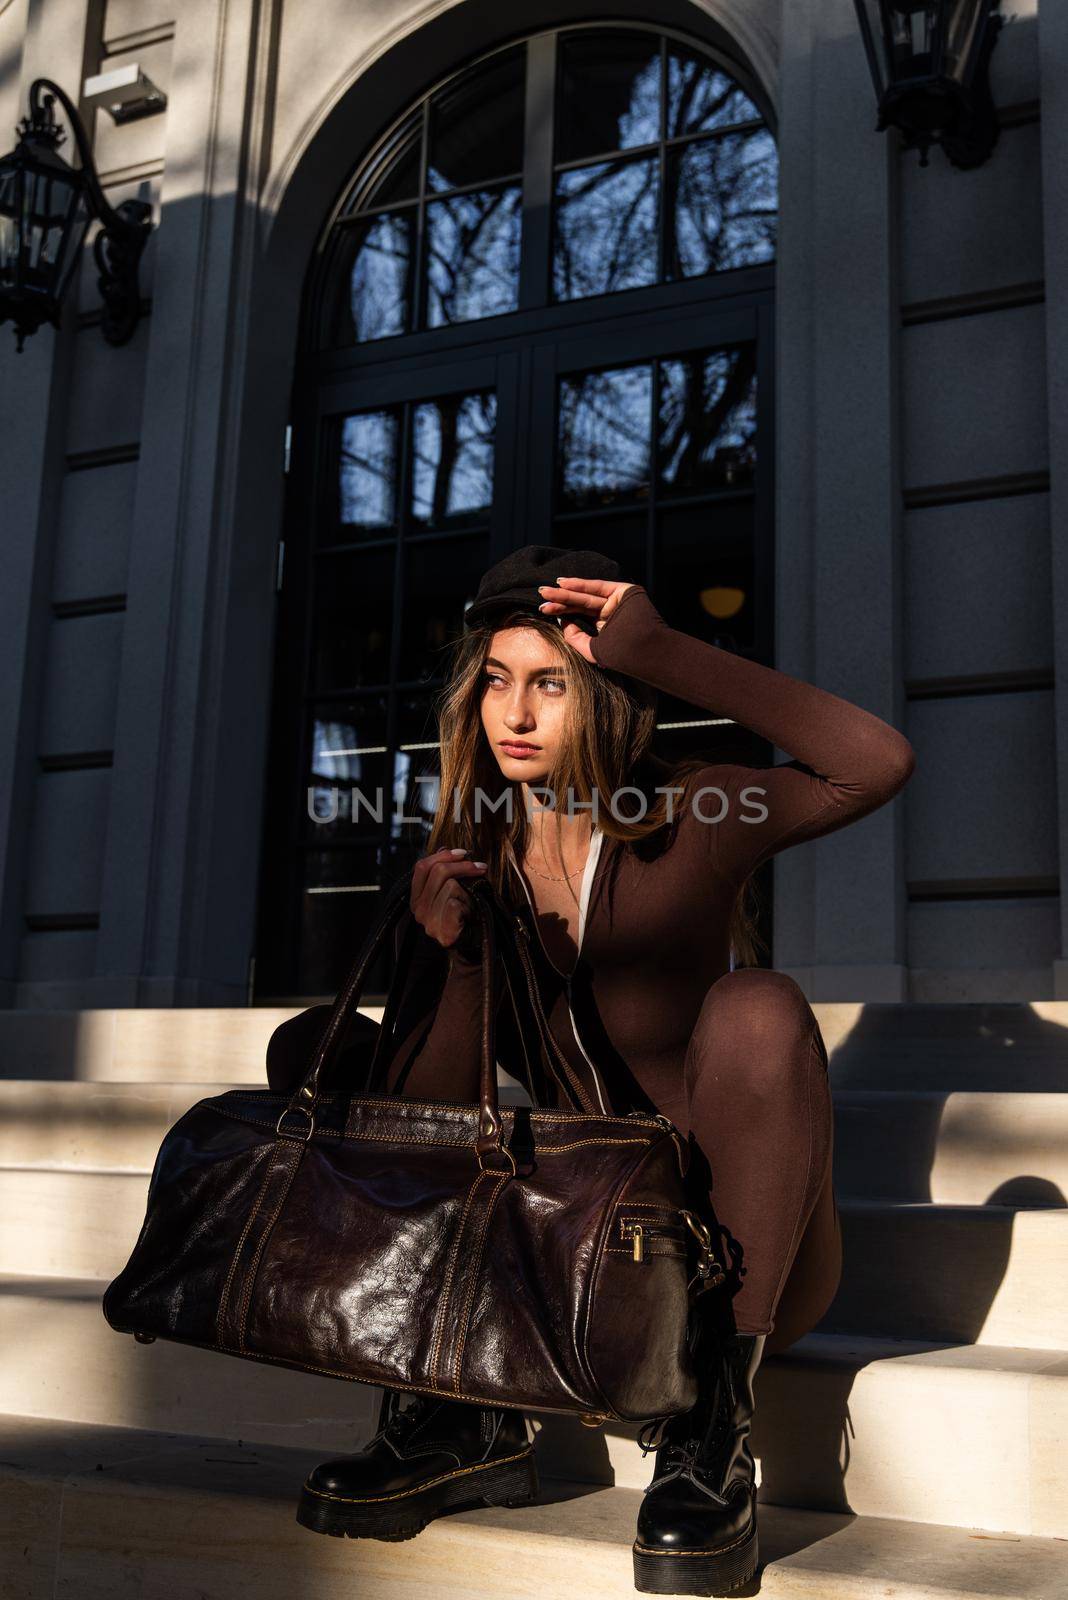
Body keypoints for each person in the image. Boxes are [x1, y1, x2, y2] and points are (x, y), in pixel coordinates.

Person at [295, 544, 916, 1593]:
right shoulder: (470, 852)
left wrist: (668, 650)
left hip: (733, 1256)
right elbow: (435, 1117)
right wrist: (454, 960)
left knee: (759, 1008)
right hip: (582, 1244)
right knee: (318, 1049)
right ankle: (452, 1418)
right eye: (497, 681)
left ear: (608, 696)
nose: (516, 714)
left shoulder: (693, 815)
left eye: (550, 682)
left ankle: (713, 1432)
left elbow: (873, 760)